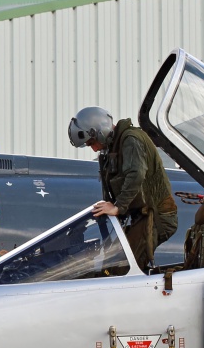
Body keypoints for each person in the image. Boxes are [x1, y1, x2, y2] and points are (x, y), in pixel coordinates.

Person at [68, 106, 179, 271]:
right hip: (141, 216)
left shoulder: (131, 140)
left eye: (92, 143)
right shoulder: (115, 147)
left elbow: (136, 174)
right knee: (112, 264)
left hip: (156, 216)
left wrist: (118, 207)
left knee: (122, 268)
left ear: (100, 132)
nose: (94, 149)